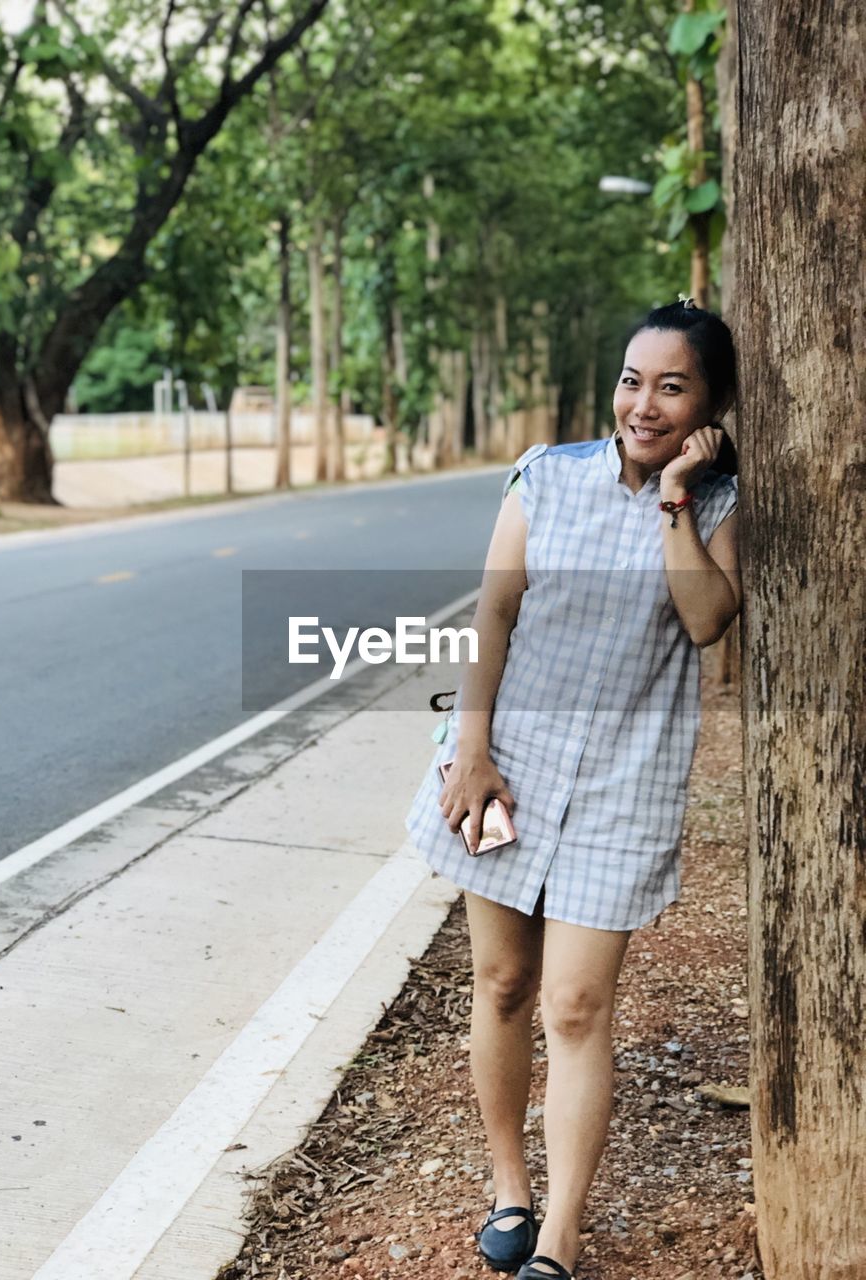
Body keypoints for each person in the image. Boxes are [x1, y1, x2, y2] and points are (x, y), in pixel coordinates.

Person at [404, 297, 741, 1280]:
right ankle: (510, 1184)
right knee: (502, 983)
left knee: (579, 1006)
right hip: (510, 764)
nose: (645, 403)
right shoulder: (546, 479)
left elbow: (707, 619)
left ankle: (558, 1232)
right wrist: (471, 748)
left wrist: (678, 495)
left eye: (673, 386)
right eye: (634, 379)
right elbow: (495, 613)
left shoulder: (721, 505)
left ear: (710, 405)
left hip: (624, 790)